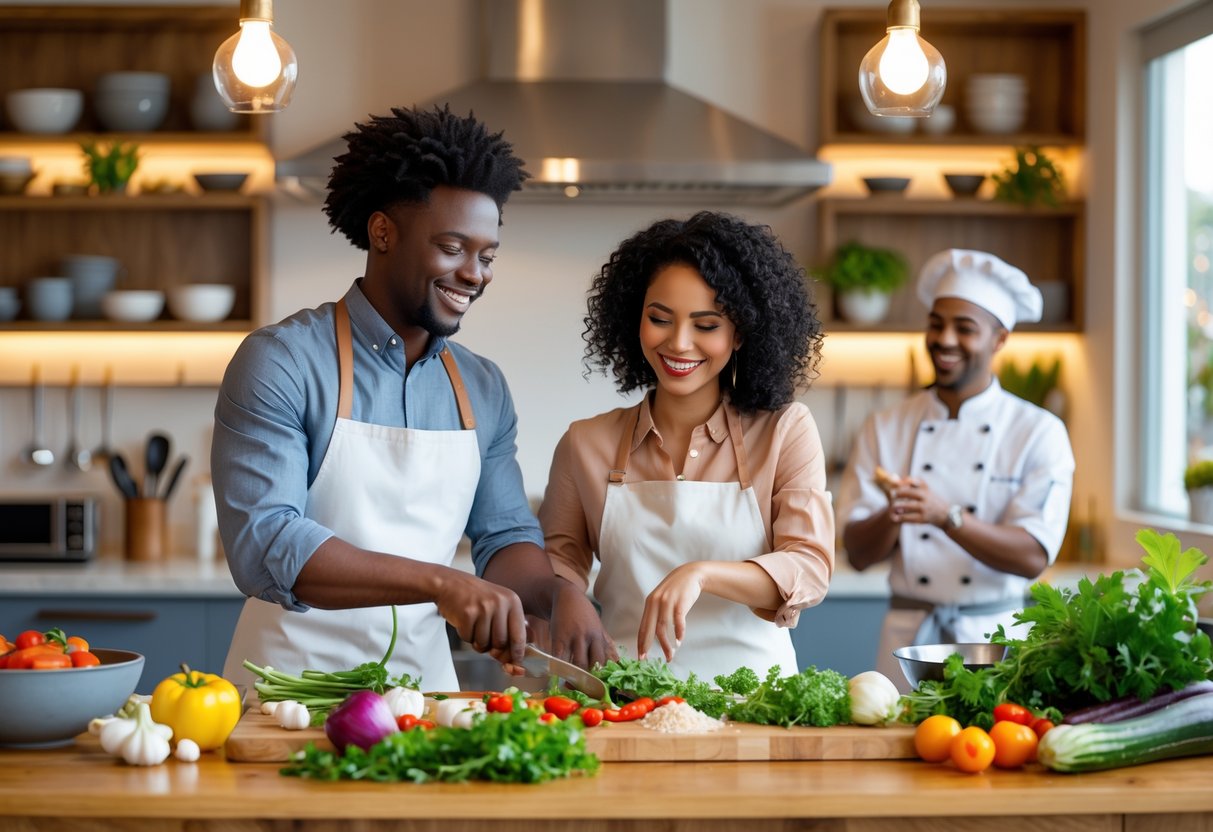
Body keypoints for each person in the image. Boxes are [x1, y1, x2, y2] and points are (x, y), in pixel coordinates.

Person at [212, 105, 610, 691]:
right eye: (452, 247)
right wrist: (442, 583)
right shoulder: (282, 361)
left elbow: (503, 537)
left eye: (487, 255)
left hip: (422, 698)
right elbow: (267, 541)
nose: (474, 274)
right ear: (382, 233)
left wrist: (557, 592)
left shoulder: (482, 387)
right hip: (289, 695)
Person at [539, 211, 835, 681]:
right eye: (660, 318)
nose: (678, 343)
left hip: (754, 701)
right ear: (635, 318)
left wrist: (701, 573)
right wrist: (559, 600)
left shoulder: (784, 431)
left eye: (706, 325)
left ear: (740, 333)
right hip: (626, 698)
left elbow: (809, 566)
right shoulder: (585, 443)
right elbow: (556, 567)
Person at [836, 248, 1074, 690]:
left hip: (996, 642)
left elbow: (1033, 556)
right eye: (936, 323)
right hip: (908, 640)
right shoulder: (885, 427)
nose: (945, 339)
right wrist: (897, 512)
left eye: (964, 328)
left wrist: (946, 516)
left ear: (999, 339)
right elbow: (857, 553)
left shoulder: (1038, 431)